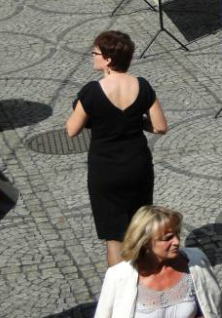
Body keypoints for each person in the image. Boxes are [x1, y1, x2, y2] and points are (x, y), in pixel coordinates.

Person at [66, 30, 168, 267]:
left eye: (96, 53)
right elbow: (160, 126)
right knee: (139, 228)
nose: (92, 56)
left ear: (108, 59)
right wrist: (133, 121)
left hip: (105, 171)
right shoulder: (142, 86)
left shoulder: (92, 91)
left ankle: (118, 293)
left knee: (114, 239)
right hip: (138, 167)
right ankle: (144, 280)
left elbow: (71, 130)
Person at [94, 205, 222, 317]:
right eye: (168, 238)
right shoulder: (118, 276)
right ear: (145, 241)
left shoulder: (196, 262)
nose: (177, 242)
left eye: (177, 234)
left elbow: (211, 308)